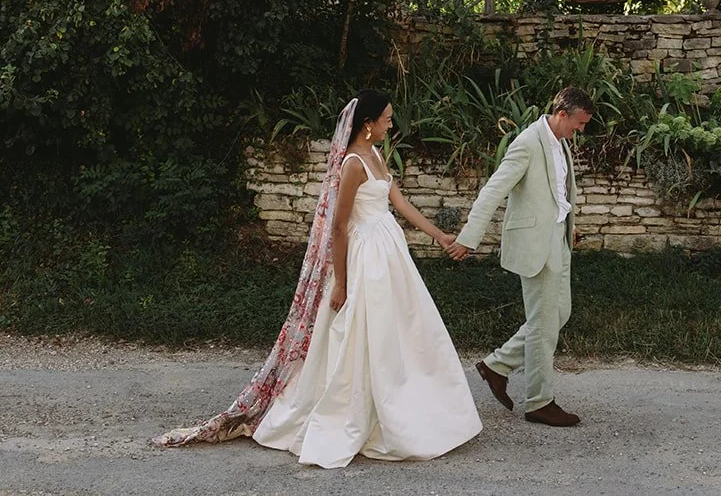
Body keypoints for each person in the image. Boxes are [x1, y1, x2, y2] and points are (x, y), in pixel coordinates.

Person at [153, 91, 482, 467]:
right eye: (387, 118)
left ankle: (406, 406)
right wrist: (341, 283)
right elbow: (339, 227)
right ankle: (358, 411)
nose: (393, 123)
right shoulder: (353, 164)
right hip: (364, 257)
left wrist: (439, 236)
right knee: (362, 332)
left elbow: (400, 202)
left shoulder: (377, 153)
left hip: (389, 250)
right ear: (368, 123)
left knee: (404, 330)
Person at [447, 85, 593, 427]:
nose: (581, 130)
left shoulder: (560, 143)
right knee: (544, 323)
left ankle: (497, 365)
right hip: (535, 247)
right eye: (580, 123)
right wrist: (469, 237)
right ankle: (540, 402)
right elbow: (493, 190)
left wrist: (566, 223)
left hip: (558, 240)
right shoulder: (527, 143)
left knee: (560, 313)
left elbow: (555, 193)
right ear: (561, 115)